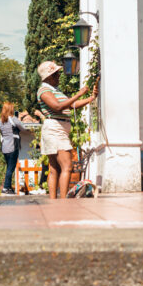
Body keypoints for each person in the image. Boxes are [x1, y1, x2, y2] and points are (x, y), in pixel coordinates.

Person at [36, 60, 97, 199]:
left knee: (54, 168)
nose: (59, 76)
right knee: (67, 166)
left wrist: (91, 98)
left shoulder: (54, 90)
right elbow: (58, 106)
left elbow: (71, 104)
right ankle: (63, 201)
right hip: (55, 129)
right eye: (56, 73)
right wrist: (79, 93)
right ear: (49, 76)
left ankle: (54, 201)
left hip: (59, 128)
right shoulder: (44, 90)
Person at [0, 102, 24, 195]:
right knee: (10, 168)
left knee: (9, 167)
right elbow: (23, 128)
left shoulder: (1, 121)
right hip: (13, 146)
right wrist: (20, 119)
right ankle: (5, 188)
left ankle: (8, 187)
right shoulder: (13, 119)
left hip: (4, 147)